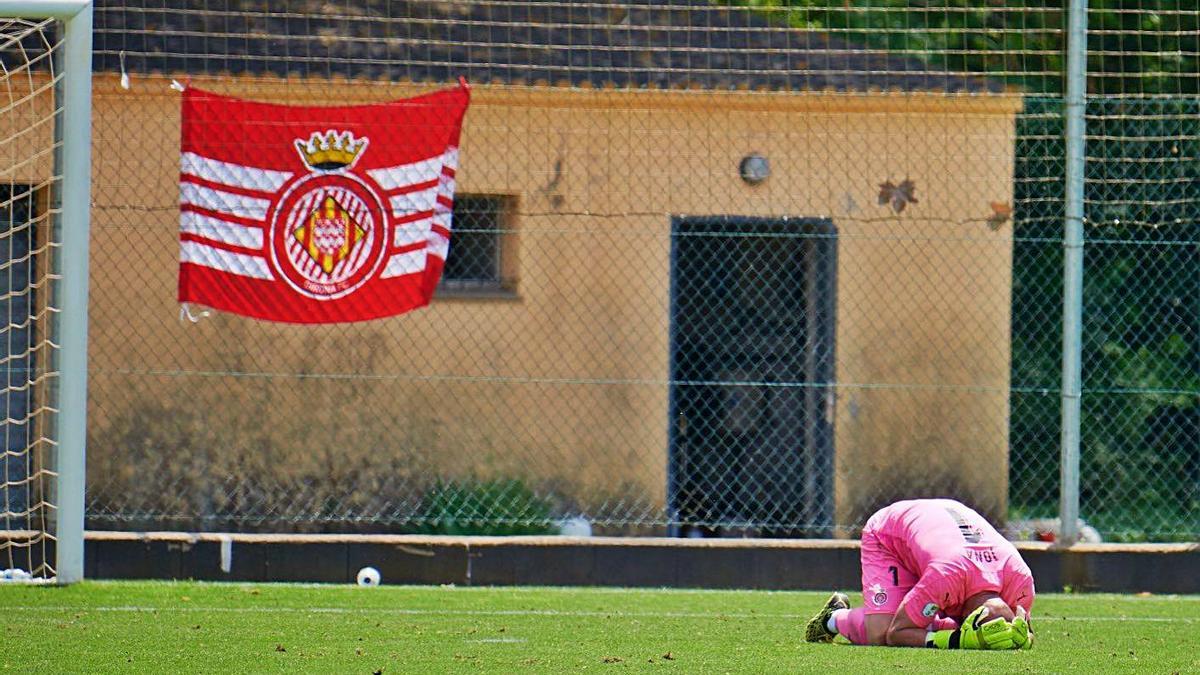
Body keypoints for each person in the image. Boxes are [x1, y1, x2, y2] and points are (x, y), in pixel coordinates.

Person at [805, 498, 1035, 649]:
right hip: (889, 535)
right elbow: (897, 634)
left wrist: (1023, 639)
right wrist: (957, 640)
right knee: (881, 633)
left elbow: (1026, 632)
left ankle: (928, 618)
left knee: (920, 621)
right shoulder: (945, 579)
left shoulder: (1021, 584)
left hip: (941, 529)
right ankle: (833, 619)